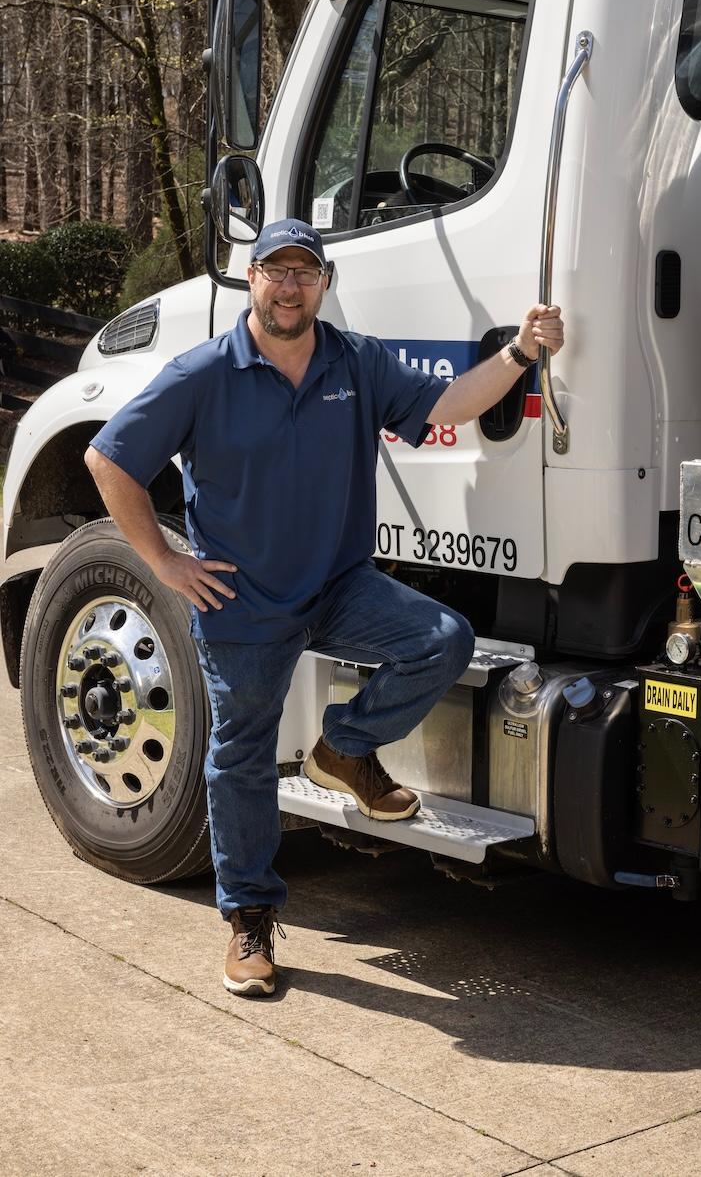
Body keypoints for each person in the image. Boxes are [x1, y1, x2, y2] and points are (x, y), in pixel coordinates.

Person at [85, 218, 564, 997]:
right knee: (240, 755)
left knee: (442, 639)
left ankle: (343, 750)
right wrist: (167, 564)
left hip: (339, 586)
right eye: (275, 270)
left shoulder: (356, 360)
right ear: (252, 279)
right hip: (243, 602)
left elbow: (448, 401)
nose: (289, 285)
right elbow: (107, 458)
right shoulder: (206, 371)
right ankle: (247, 919)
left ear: (324, 284)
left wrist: (520, 353)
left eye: (304, 272)